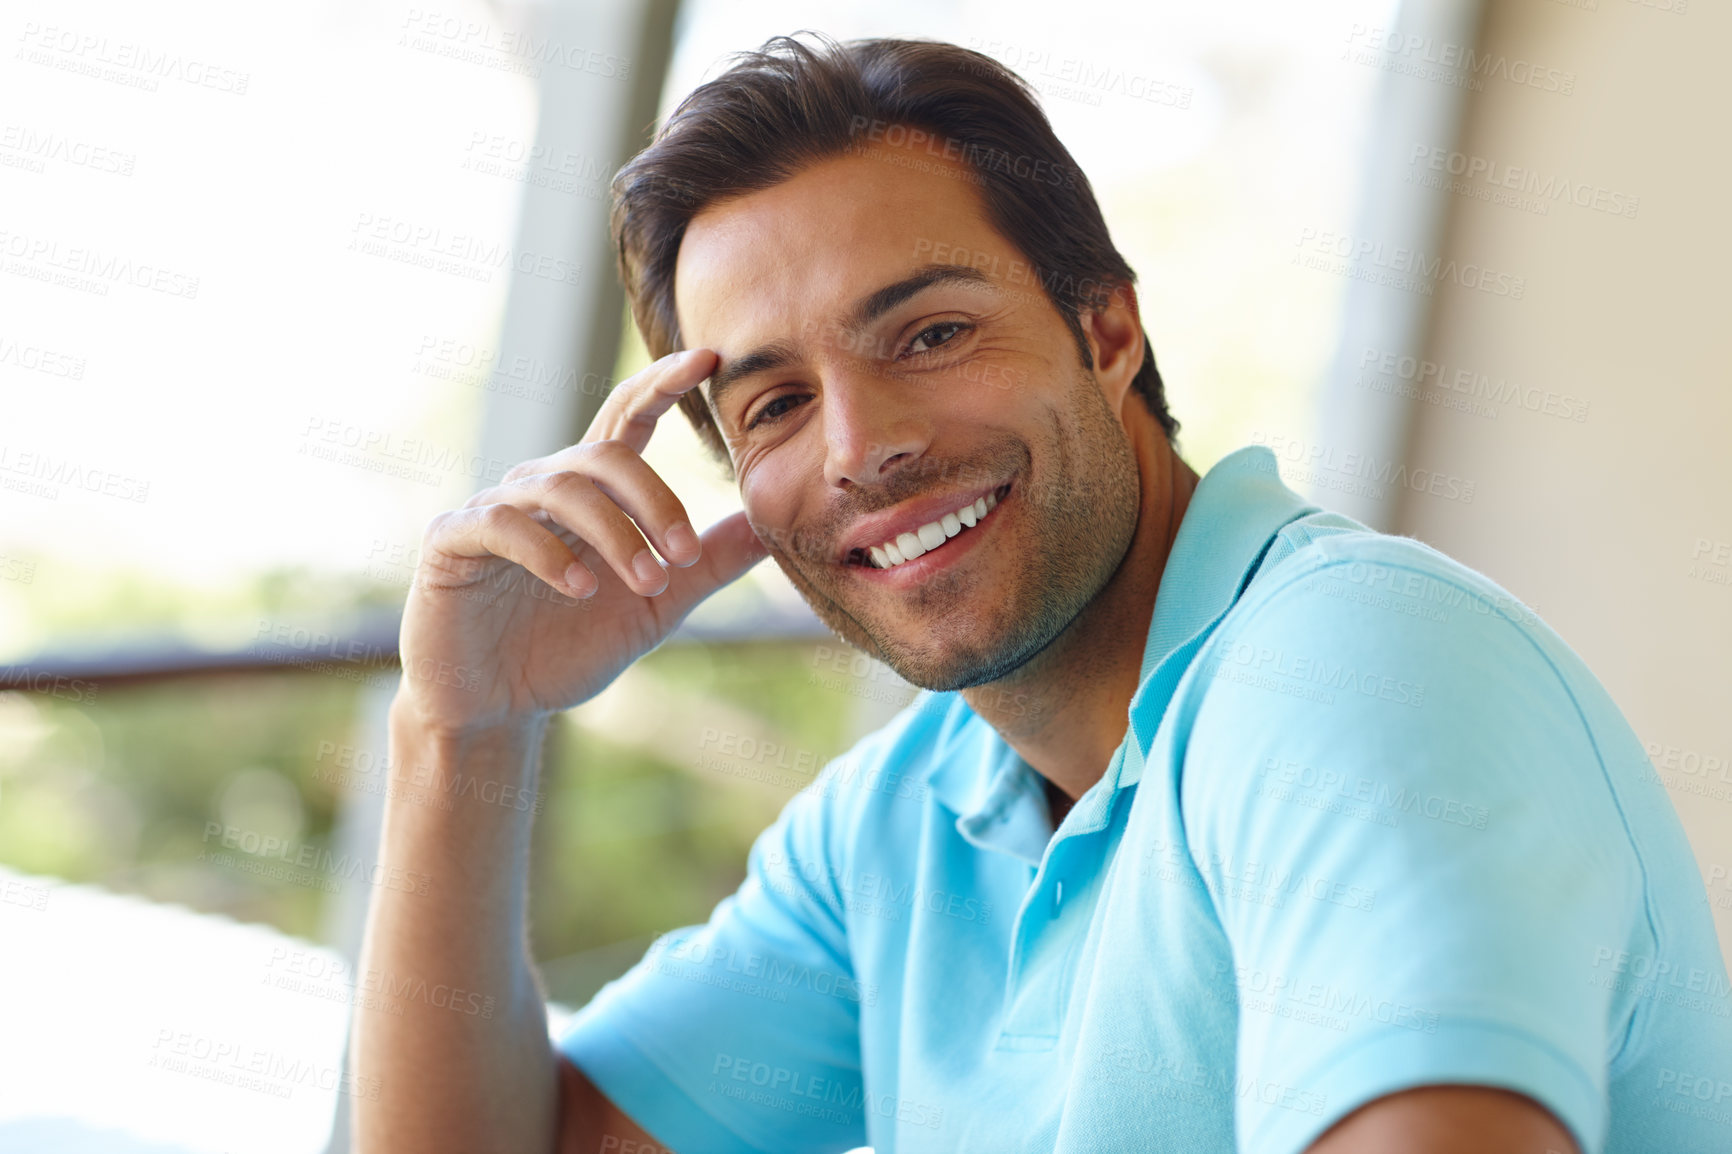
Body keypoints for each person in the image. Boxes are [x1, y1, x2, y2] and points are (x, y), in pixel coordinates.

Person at [352, 33, 1732, 1154]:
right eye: (774, 403)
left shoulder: (1351, 673)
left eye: (932, 333)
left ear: (1107, 330)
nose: (859, 447)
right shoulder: (903, 818)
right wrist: (458, 728)